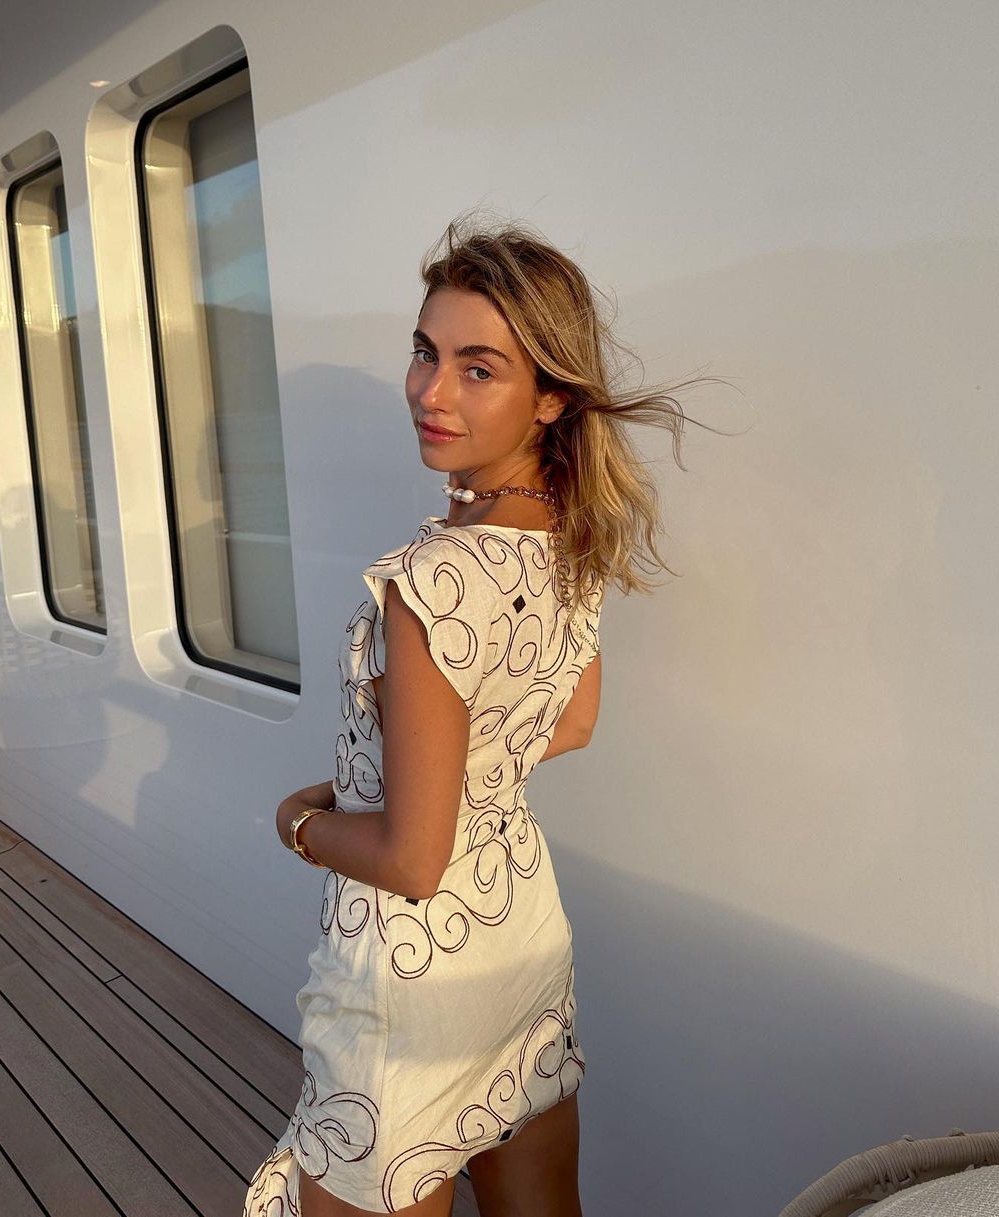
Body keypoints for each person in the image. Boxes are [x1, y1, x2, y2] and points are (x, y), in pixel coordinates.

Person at [243, 211, 720, 1217]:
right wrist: (410, 776)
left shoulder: (432, 580)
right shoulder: (567, 539)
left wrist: (299, 821)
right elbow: (570, 720)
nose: (430, 390)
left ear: (550, 396)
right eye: (426, 352)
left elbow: (414, 860)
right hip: (518, 941)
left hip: (407, 985)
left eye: (478, 368)